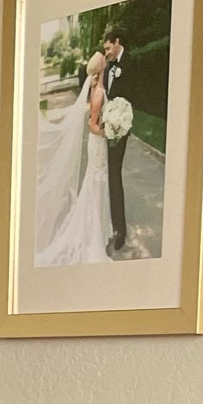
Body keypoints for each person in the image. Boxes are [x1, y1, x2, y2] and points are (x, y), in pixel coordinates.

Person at [34, 49, 110, 267]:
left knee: (96, 183)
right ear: (101, 66)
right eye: (103, 57)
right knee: (96, 183)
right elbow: (92, 125)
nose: (105, 57)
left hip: (98, 144)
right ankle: (91, 234)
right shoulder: (97, 92)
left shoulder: (97, 88)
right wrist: (111, 130)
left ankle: (95, 229)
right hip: (98, 144)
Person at [101, 26, 131, 256]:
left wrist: (121, 122)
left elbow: (133, 96)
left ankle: (121, 231)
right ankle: (110, 224)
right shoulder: (108, 68)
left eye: (109, 47)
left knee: (114, 176)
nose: (107, 52)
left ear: (117, 42)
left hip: (120, 129)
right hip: (108, 128)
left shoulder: (129, 63)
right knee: (108, 176)